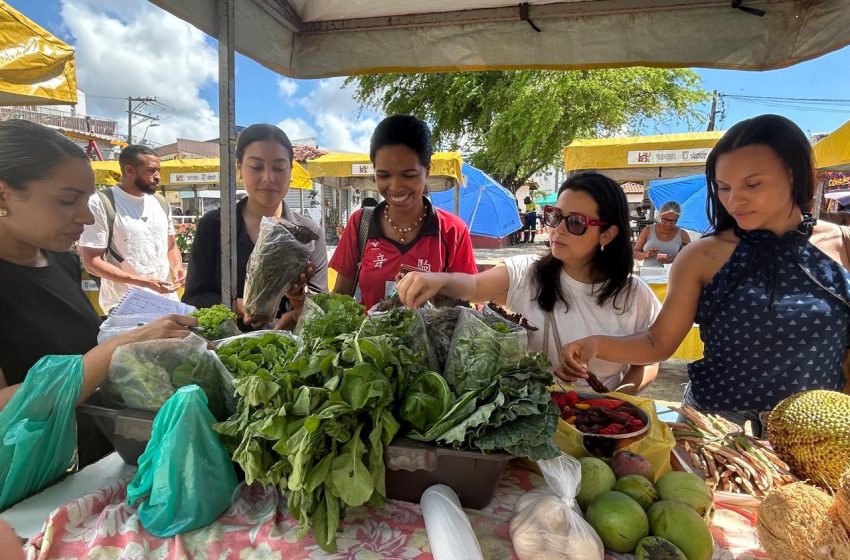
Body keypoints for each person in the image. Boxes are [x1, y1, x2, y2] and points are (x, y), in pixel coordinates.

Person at [561, 115, 850, 435]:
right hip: (715, 430)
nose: (734, 200)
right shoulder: (701, 256)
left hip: (816, 436)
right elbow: (658, 342)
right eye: (723, 187)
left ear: (794, 176)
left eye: (753, 184)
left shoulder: (844, 246)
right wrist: (596, 344)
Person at [397, 171, 661, 394]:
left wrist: (615, 402)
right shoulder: (526, 272)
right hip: (527, 415)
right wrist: (438, 279)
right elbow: (474, 287)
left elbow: (648, 361)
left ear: (607, 234)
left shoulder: (634, 296)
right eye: (554, 215)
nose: (558, 229)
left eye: (576, 222)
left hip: (599, 425)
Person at [0, 119, 195, 421]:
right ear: (3, 195)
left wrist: (142, 339)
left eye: (86, 200)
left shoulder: (60, 260)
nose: (87, 217)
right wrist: (120, 346)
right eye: (67, 200)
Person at [182, 123, 328, 330]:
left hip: (288, 347)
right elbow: (193, 298)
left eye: (279, 168)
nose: (268, 178)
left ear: (291, 170)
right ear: (239, 169)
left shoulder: (309, 233)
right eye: (256, 167)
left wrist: (297, 297)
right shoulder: (215, 226)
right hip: (223, 345)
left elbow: (320, 308)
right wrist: (240, 306)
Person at [330, 115, 477, 310]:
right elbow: (339, 300)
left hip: (433, 331)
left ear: (427, 171)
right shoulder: (360, 224)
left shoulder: (452, 231)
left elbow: (469, 300)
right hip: (366, 331)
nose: (395, 187)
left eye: (408, 175)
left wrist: (438, 286)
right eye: (384, 175)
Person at [79, 145, 184, 314]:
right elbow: (92, 262)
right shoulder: (101, 203)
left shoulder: (161, 202)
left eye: (158, 170)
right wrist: (144, 282)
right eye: (151, 171)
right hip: (124, 304)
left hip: (166, 302)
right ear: (129, 170)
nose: (158, 176)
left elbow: (171, 246)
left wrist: (178, 267)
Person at [633, 200, 691, 266]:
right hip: (648, 272)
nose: (668, 223)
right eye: (665, 219)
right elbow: (635, 254)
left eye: (673, 221)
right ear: (660, 216)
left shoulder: (683, 235)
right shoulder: (648, 230)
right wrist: (646, 254)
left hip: (672, 272)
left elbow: (689, 258)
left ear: (678, 219)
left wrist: (673, 260)